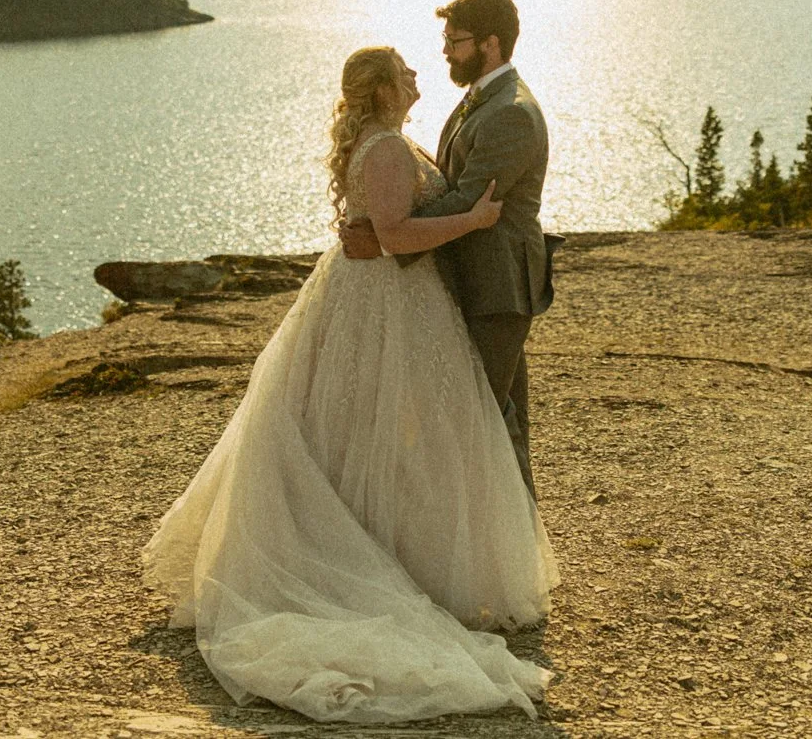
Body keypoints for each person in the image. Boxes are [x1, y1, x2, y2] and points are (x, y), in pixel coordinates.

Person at [142, 46, 556, 722]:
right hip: (385, 302)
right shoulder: (387, 148)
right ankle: (379, 559)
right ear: (385, 88)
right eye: (406, 71)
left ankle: (396, 548)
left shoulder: (384, 141)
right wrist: (473, 220)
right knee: (393, 428)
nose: (420, 76)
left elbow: (383, 225)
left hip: (389, 296)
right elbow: (393, 234)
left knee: (377, 428)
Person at [341, 0, 554, 495]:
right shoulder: (480, 99)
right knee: (498, 418)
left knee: (481, 417)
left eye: (454, 41)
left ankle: (507, 551)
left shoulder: (510, 113)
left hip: (496, 285)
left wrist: (388, 238)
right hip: (470, 277)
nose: (444, 52)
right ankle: (515, 549)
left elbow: (467, 200)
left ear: (491, 44)